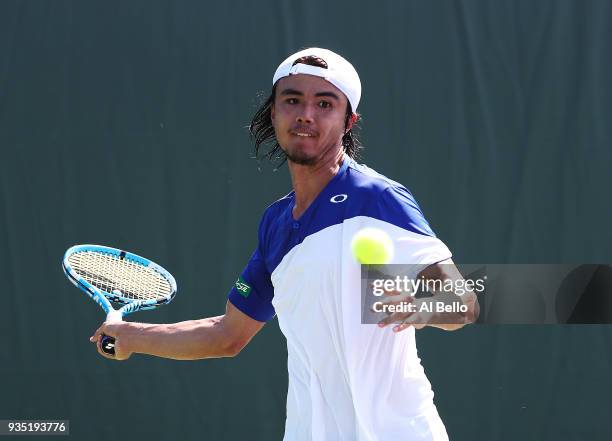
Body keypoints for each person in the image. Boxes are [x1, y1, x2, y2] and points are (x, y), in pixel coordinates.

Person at [91, 47, 478, 441]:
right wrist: (132, 336)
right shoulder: (275, 223)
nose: (305, 114)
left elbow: (462, 304)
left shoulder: (379, 199)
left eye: (325, 103)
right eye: (292, 100)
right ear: (273, 113)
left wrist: (420, 305)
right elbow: (227, 334)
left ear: (349, 121)